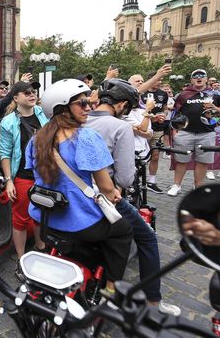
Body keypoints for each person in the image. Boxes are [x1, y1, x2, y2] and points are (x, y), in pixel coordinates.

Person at [25, 78, 133, 294]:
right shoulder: (85, 138)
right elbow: (107, 188)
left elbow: (35, 174)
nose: (89, 108)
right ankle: (111, 288)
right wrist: (113, 194)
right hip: (79, 222)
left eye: (88, 103)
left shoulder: (37, 139)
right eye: (82, 104)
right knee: (124, 231)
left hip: (45, 219)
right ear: (63, 109)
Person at [85, 78, 182, 316]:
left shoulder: (79, 120)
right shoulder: (120, 127)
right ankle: (153, 302)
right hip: (105, 196)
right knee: (148, 239)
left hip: (77, 194)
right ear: (120, 105)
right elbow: (127, 179)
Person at [0, 81, 49, 280]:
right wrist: (9, 180)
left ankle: (40, 247)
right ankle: (21, 258)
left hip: (44, 175)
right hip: (22, 176)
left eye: (33, 91)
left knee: (42, 213)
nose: (32, 95)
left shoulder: (41, 113)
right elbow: (5, 152)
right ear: (16, 98)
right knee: (21, 218)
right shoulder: (9, 122)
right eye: (26, 92)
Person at [168, 69, 220, 196]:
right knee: (181, 160)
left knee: (203, 161)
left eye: (202, 76)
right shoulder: (183, 95)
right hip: (186, 132)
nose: (198, 77)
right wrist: (175, 132)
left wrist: (215, 108)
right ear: (191, 80)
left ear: (206, 79)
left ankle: (198, 187)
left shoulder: (215, 95)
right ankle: (176, 185)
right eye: (195, 76)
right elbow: (175, 114)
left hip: (207, 133)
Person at [0, 74, 33, 145]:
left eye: (6, 88)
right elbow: (6, 100)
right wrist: (19, 84)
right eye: (1, 88)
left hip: (8, 137)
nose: (4, 89)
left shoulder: (8, 103)